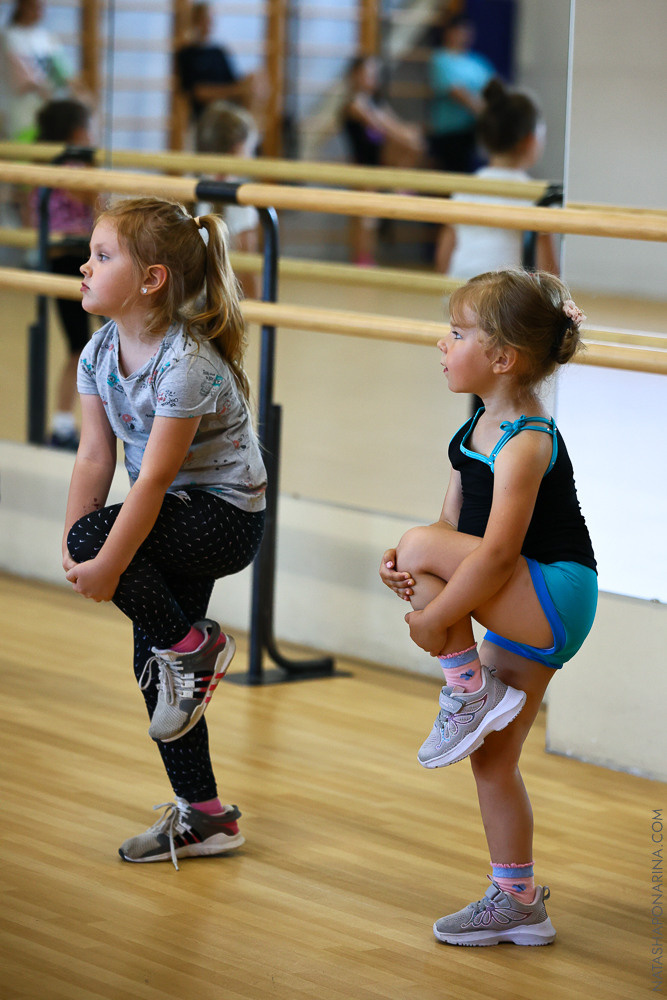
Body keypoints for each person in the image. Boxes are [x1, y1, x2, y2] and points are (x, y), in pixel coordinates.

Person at [379, 268, 597, 945]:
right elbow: (451, 534)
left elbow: (496, 556)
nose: (441, 345)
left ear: (501, 358)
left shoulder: (527, 439)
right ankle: (517, 896)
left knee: (424, 565)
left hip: (554, 591)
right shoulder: (472, 426)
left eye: (455, 334)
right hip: (522, 598)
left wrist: (431, 601)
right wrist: (414, 575)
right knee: (492, 761)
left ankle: (465, 688)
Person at [62, 196, 266, 867]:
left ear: (151, 279)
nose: (83, 267)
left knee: (156, 630)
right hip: (176, 515)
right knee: (153, 667)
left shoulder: (185, 362)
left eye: (102, 255)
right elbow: (95, 456)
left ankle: (195, 647)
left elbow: (149, 481)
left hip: (223, 519)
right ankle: (207, 818)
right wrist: (75, 548)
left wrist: (99, 554)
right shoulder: (98, 353)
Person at [436, 79, 559, 277]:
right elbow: (549, 272)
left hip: (460, 293)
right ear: (530, 140)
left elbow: (445, 252)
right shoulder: (538, 196)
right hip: (503, 300)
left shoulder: (466, 188)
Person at [31, 98, 96, 449]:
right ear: (76, 133)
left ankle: (63, 421)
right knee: (81, 346)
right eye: (90, 129)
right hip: (73, 259)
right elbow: (95, 196)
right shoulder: (70, 166)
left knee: (82, 345)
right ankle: (62, 423)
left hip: (64, 257)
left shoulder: (48, 164)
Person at [341, 55, 424, 266]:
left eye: (375, 73)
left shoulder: (377, 102)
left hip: (379, 164)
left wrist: (410, 134)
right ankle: (361, 259)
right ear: (355, 75)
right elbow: (383, 127)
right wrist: (406, 137)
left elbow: (393, 123)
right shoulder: (355, 105)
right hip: (362, 167)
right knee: (366, 218)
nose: (373, 77)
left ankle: (400, 182)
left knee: (371, 219)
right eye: (368, 73)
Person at [196, 99, 261, 298]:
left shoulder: (188, 186)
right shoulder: (241, 202)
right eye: (250, 151)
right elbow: (248, 269)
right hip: (224, 308)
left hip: (188, 309)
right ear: (236, 149)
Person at [175, 2, 263, 129]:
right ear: (195, 21)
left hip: (228, 110)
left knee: (256, 79)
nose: (209, 24)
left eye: (211, 20)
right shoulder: (187, 54)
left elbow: (234, 81)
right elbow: (199, 92)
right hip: (205, 116)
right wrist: (234, 91)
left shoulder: (219, 52)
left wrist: (249, 83)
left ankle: (251, 130)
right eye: (205, 20)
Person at [428, 15, 495, 174]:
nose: (463, 35)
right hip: (450, 133)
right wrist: (486, 114)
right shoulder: (441, 59)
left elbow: (494, 88)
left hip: (475, 132)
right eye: (459, 31)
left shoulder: (478, 62)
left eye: (466, 31)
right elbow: (456, 92)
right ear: (449, 33)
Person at [0, 0, 76, 142]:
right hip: (23, 112)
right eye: (35, 7)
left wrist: (80, 94)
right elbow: (25, 80)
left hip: (50, 113)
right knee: (23, 155)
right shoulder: (8, 37)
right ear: (22, 6)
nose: (39, 12)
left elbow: (65, 73)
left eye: (42, 8)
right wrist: (48, 91)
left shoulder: (47, 37)